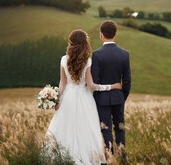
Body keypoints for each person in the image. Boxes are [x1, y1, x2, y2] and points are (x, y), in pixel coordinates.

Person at [45, 29, 122, 165]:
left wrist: (58, 100)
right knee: (86, 130)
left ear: (71, 43)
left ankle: (63, 158)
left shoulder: (64, 59)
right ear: (84, 43)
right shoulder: (87, 61)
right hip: (84, 98)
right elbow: (91, 86)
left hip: (68, 98)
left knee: (65, 129)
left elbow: (63, 83)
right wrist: (112, 86)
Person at [91, 20, 131, 159]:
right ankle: (122, 156)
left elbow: (95, 81)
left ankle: (110, 156)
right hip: (118, 97)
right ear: (115, 34)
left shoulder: (96, 55)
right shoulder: (124, 54)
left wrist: (97, 97)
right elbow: (127, 80)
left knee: (105, 128)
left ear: (101, 35)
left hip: (102, 99)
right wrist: (122, 96)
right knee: (120, 127)